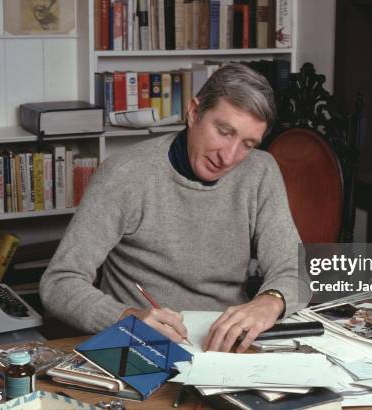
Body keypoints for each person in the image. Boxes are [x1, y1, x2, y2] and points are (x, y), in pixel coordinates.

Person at [40, 63, 311, 353]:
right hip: (142, 342)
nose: (229, 157)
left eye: (247, 143)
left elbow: (294, 271)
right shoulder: (125, 174)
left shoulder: (261, 171)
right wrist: (126, 318)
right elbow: (59, 282)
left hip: (224, 347)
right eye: (224, 131)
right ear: (194, 113)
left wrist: (269, 301)